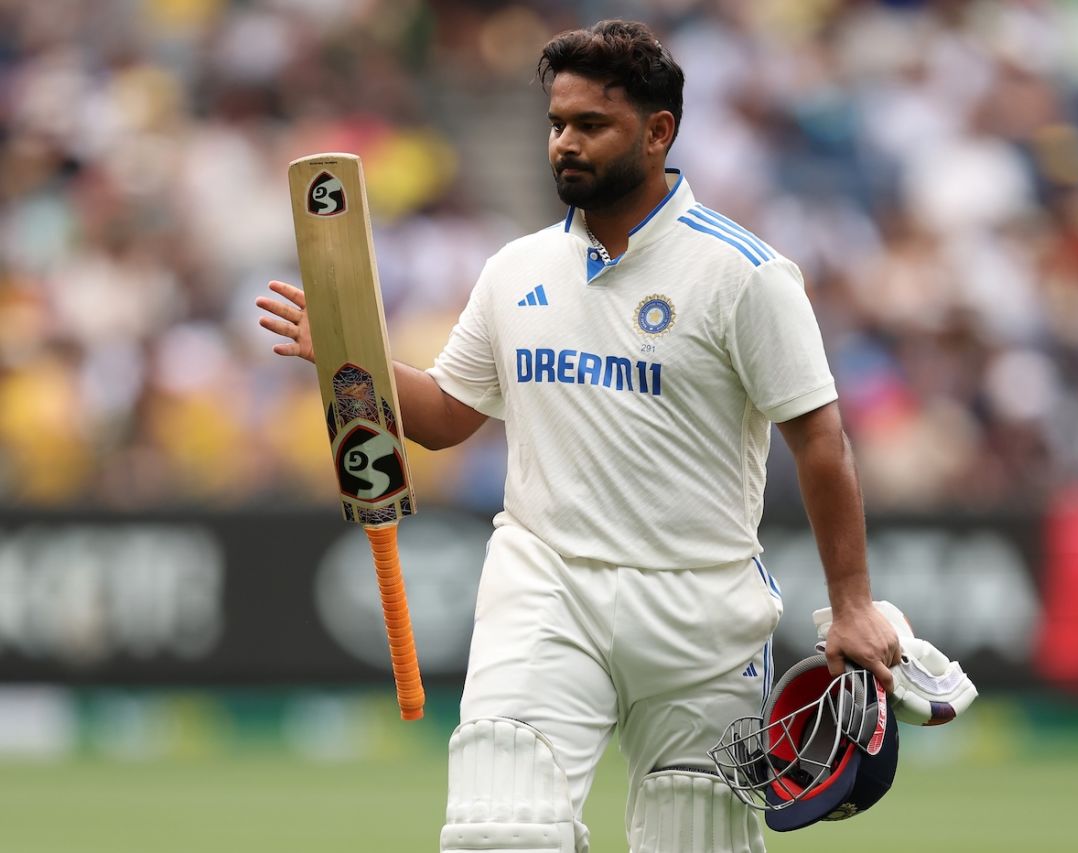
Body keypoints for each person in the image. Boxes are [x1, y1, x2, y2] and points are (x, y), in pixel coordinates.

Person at [257, 19, 900, 853]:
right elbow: (450, 415)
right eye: (557, 123)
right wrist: (352, 355)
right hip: (545, 585)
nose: (564, 143)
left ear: (658, 131)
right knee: (501, 833)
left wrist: (850, 602)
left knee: (695, 839)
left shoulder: (746, 274)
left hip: (700, 609)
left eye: (590, 125)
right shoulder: (515, 269)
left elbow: (821, 442)